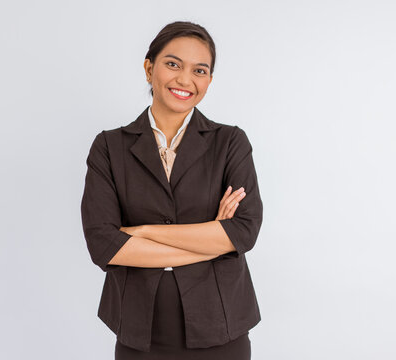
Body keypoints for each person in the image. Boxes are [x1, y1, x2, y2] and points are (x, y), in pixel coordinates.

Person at [80, 21, 263, 359]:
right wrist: (212, 241)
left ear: (209, 80)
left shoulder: (230, 142)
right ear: (150, 68)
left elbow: (243, 231)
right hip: (139, 329)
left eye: (200, 70)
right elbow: (104, 244)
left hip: (221, 324)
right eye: (173, 64)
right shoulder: (109, 147)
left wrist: (144, 232)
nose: (185, 79)